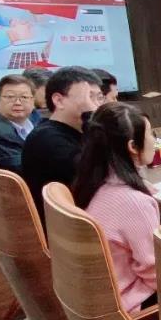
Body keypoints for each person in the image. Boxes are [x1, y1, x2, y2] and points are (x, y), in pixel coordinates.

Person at [71, 103, 158, 313]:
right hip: (129, 307)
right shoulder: (135, 203)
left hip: (97, 299)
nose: (154, 141)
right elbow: (157, 273)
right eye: (151, 134)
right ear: (132, 146)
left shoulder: (91, 183)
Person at [21, 66, 101, 219]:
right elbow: (99, 176)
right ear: (59, 100)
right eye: (89, 97)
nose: (96, 106)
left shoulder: (72, 131)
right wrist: (92, 116)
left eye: (99, 98)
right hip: (66, 225)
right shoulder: (47, 139)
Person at [0, 74, 42, 174]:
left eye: (24, 97)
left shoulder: (34, 117)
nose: (18, 102)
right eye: (10, 97)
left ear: (33, 100)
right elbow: (22, 168)